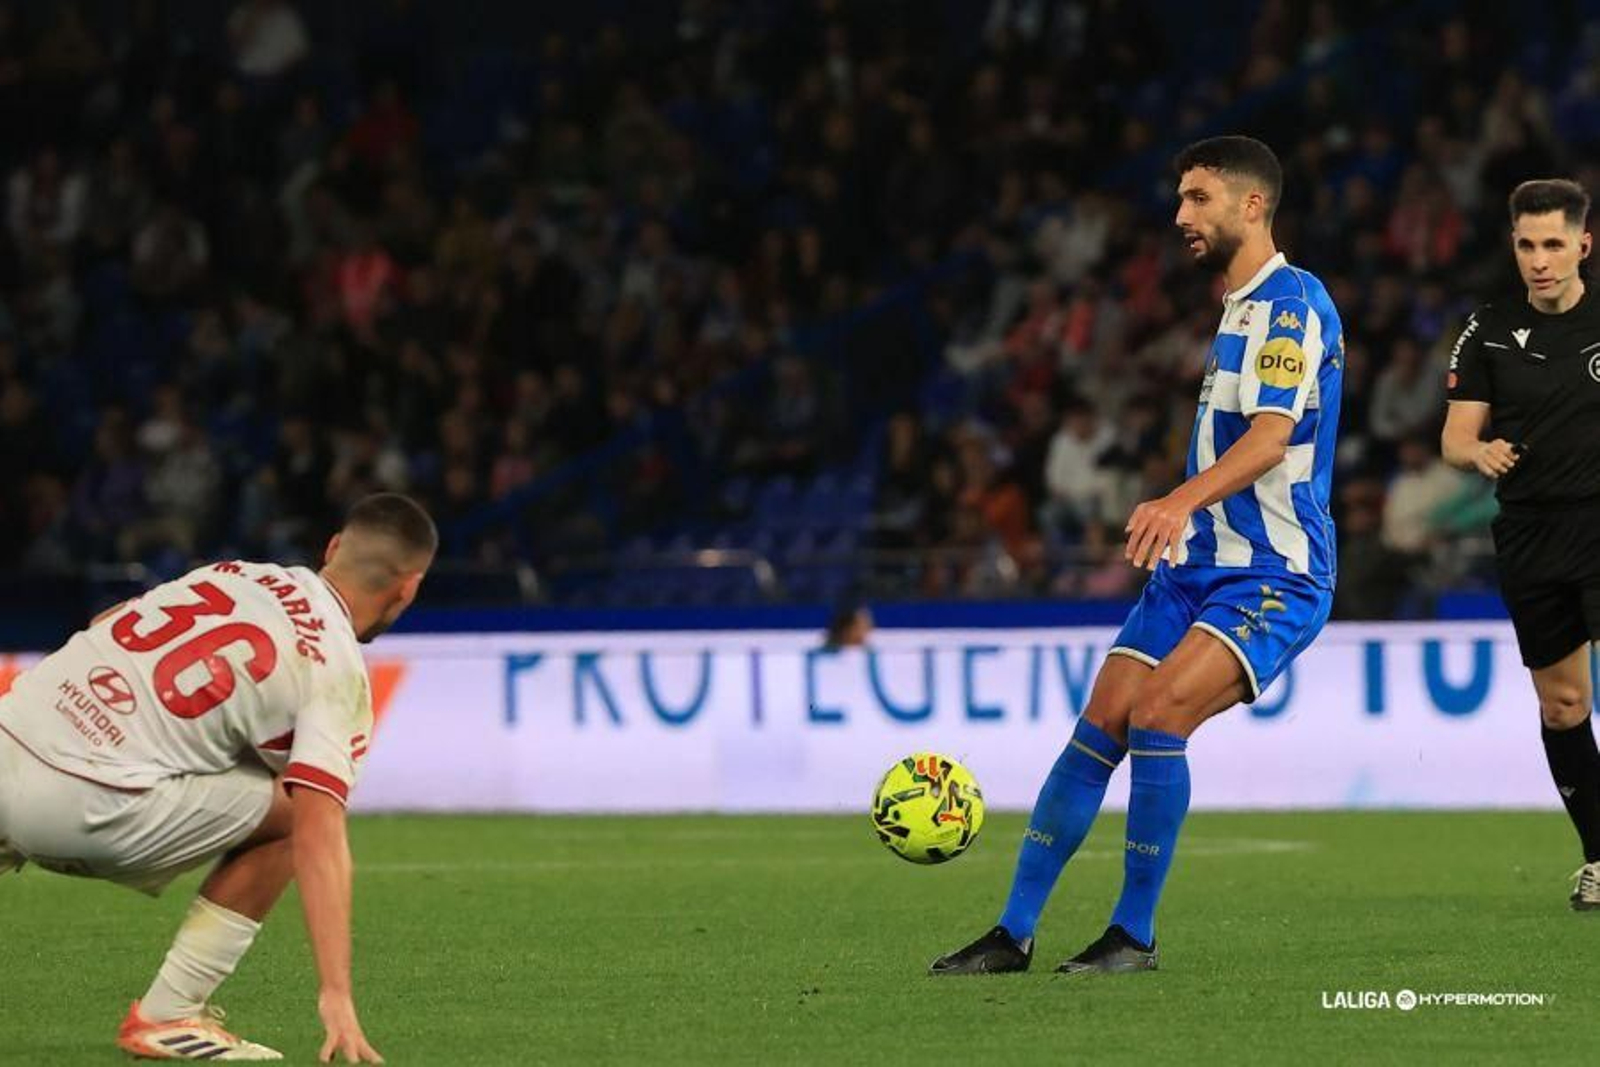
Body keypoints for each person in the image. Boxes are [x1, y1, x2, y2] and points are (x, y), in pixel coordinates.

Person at [932, 136, 1343, 976]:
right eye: (1181, 199)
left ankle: (1134, 933)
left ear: (1252, 204)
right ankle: (1011, 932)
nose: (1180, 215)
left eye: (1198, 198)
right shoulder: (1236, 307)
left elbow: (1270, 441)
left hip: (1275, 571)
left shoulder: (1292, 305)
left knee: (1158, 715)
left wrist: (1175, 498)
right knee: (1102, 722)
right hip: (1198, 566)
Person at [0, 492, 437, 1061]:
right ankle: (170, 1014)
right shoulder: (335, 671)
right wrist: (336, 994)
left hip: (14, 733)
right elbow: (318, 834)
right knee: (290, 817)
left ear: (333, 547)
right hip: (83, 806)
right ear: (408, 588)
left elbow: (105, 622)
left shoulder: (234, 573)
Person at [1441, 179, 1600, 910]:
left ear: (1583, 245)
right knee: (1564, 706)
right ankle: (1599, 857)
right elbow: (1455, 437)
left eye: (1554, 244)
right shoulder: (1489, 330)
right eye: (1527, 245)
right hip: (1532, 531)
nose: (1540, 260)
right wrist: (1481, 455)